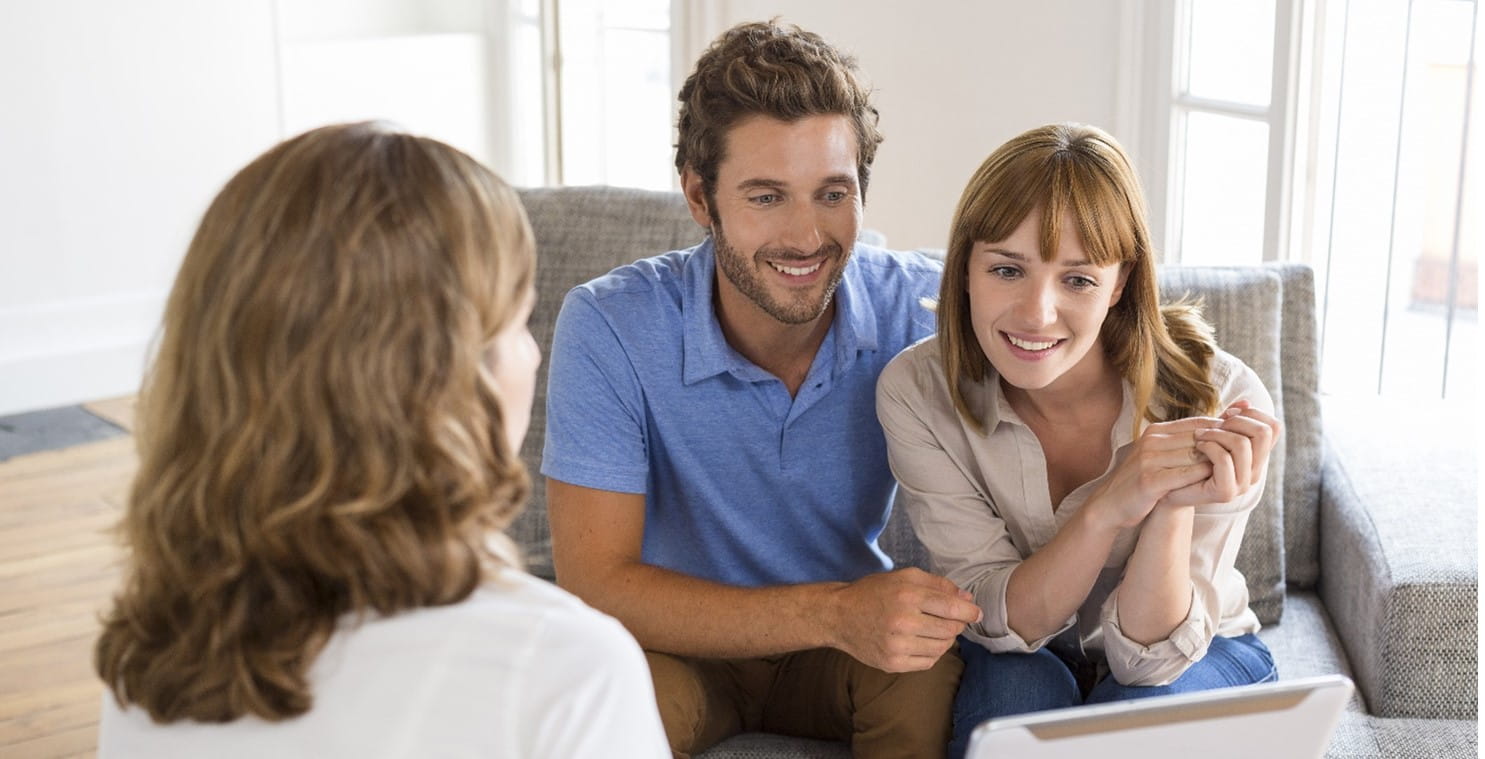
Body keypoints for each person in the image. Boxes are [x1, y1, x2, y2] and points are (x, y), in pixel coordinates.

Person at [94, 123, 668, 758]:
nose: (534, 354)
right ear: (448, 378)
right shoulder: (565, 669)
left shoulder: (152, 661)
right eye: (518, 322)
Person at [542, 20, 982, 758]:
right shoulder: (609, 324)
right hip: (676, 650)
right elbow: (598, 585)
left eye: (832, 193)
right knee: (606, 705)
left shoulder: (922, 312)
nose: (806, 236)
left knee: (925, 676)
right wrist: (835, 611)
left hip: (845, 662)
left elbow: (1084, 331)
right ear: (698, 197)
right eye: (766, 196)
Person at [875, 123, 1283, 759]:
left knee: (1127, 730)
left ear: (1120, 285)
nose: (1036, 313)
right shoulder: (917, 391)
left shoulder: (1220, 396)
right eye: (1007, 269)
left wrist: (1170, 503)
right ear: (964, 271)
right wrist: (1108, 507)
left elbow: (1150, 662)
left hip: (1195, 650)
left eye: (1078, 280)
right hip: (1021, 649)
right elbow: (996, 615)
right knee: (1009, 715)